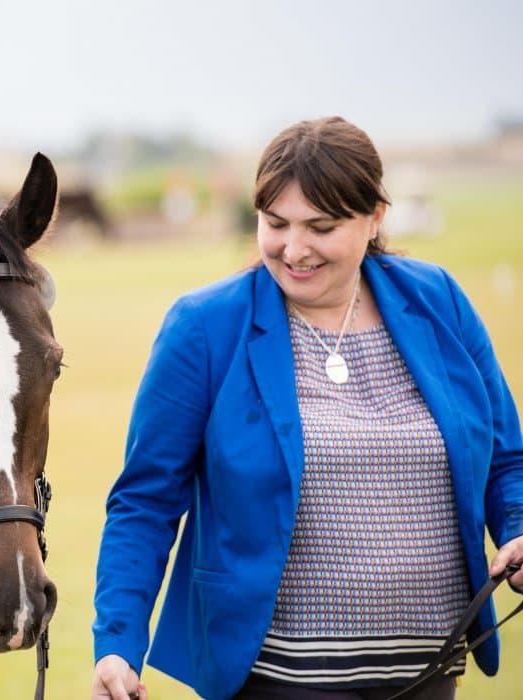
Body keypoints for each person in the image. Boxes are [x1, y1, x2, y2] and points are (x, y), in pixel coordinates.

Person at [91, 116, 523, 700]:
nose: (293, 249)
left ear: (375, 217)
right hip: (276, 683)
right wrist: (117, 644)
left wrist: (518, 527)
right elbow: (145, 501)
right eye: (276, 224)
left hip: (431, 674)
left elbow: (505, 458)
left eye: (320, 227)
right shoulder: (204, 328)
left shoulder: (439, 299)